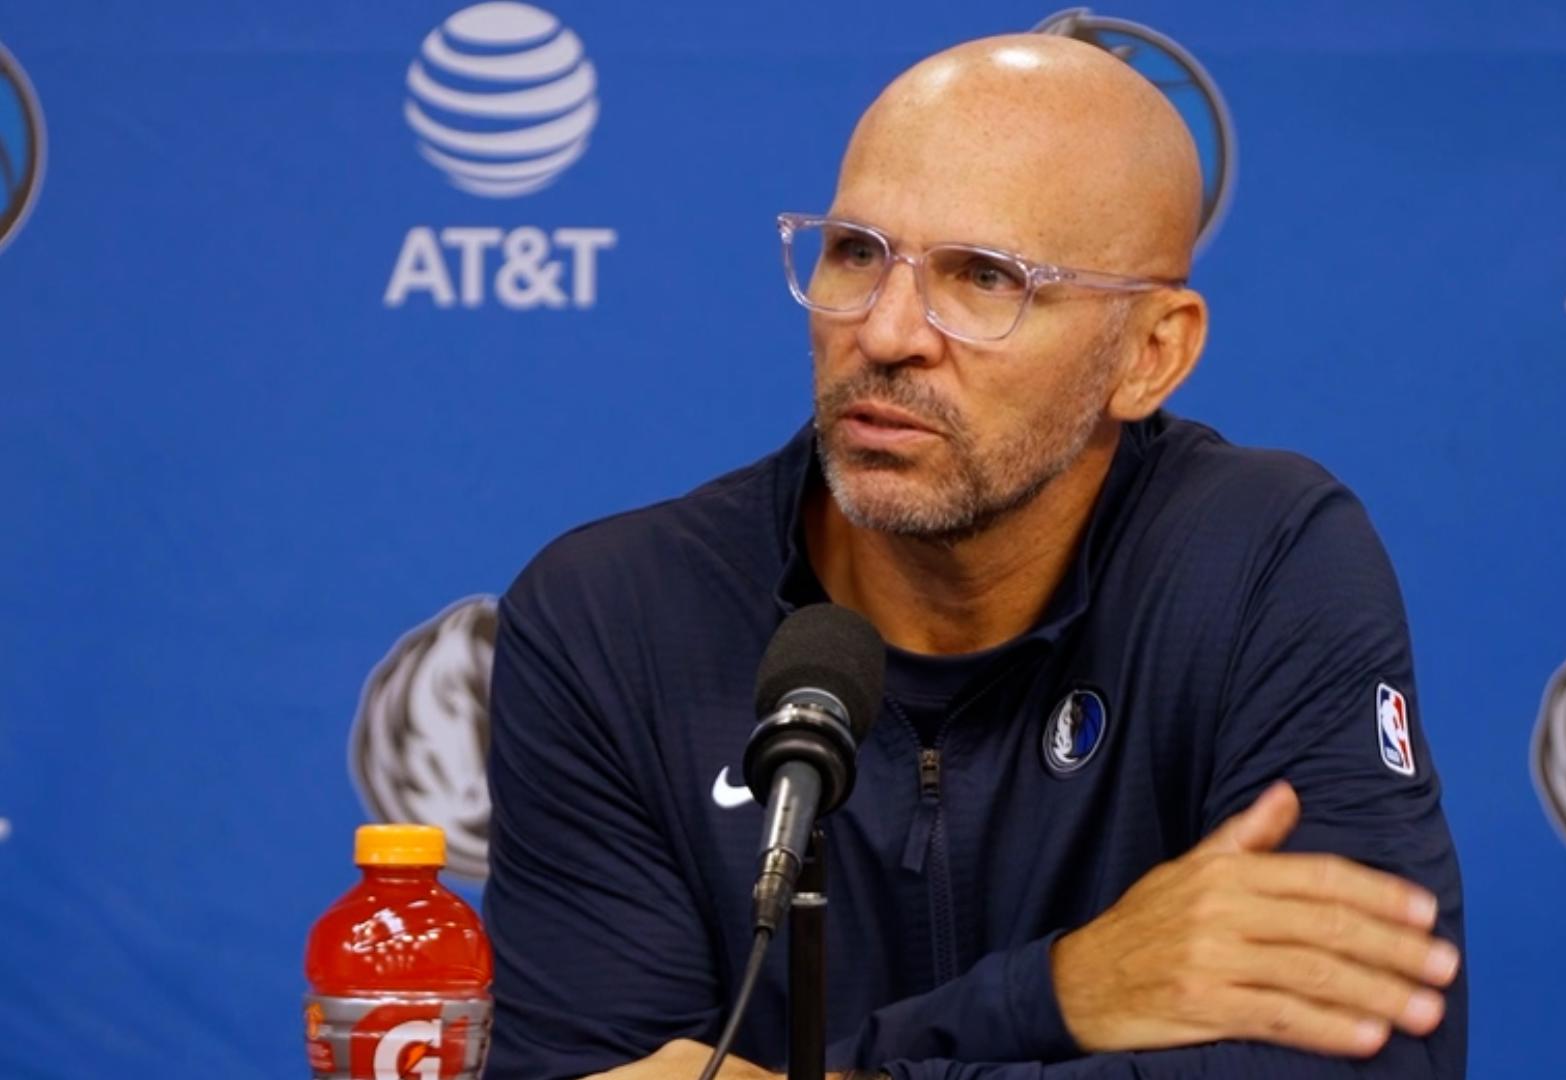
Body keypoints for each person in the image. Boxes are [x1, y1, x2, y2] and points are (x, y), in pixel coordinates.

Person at [482, 33, 1466, 1080]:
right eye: (856, 251)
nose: (888, 331)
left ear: (1151, 354)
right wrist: (1066, 995)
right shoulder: (612, 617)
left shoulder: (1261, 559)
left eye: (986, 277)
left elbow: (1370, 1063)